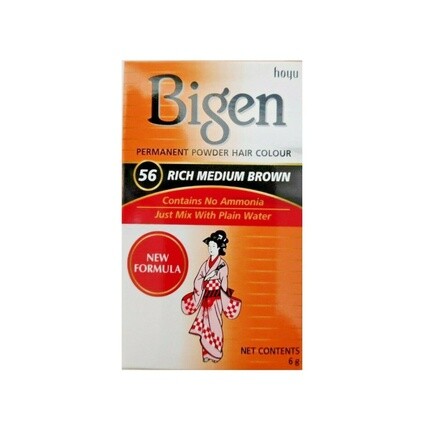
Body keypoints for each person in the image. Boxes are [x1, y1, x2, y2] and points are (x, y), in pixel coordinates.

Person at [181, 230, 241, 362]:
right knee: (205, 326)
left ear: (219, 247)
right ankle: (207, 354)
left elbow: (223, 284)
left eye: (213, 246)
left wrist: (219, 291)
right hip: (205, 298)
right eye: (209, 246)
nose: (210, 248)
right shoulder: (205, 264)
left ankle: (216, 353)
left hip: (216, 299)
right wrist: (205, 280)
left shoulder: (222, 265)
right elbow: (198, 279)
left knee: (215, 326)